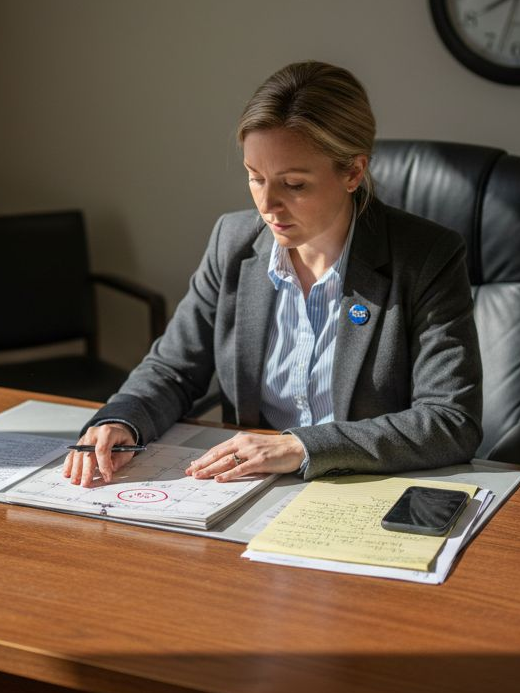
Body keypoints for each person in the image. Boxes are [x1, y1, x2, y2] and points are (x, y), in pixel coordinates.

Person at [63, 61, 482, 488]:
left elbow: (450, 420)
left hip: (361, 486)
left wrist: (301, 447)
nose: (268, 205)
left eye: (294, 184)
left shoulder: (427, 255)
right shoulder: (234, 240)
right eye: (255, 177)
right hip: (247, 488)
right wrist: (122, 420)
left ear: (353, 172)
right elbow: (173, 368)